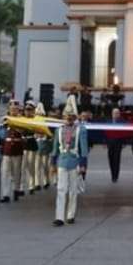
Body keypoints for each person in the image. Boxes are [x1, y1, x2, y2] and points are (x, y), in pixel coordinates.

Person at [51, 95, 88, 227]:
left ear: (75, 117)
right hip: (62, 160)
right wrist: (52, 163)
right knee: (61, 188)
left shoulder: (80, 130)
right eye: (66, 116)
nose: (68, 118)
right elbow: (55, 148)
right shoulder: (59, 130)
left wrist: (83, 165)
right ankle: (59, 217)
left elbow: (84, 149)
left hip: (74, 161)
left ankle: (70, 215)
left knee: (73, 189)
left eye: (71, 116)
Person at [34, 102, 52, 190]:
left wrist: (44, 135)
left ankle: (46, 180)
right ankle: (37, 183)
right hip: (36, 144)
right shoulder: (33, 123)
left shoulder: (46, 123)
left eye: (40, 114)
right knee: (37, 165)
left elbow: (49, 134)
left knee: (45, 165)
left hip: (44, 145)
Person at [106, 108, 125, 183]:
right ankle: (112, 174)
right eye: (114, 113)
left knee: (116, 160)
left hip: (118, 143)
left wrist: (124, 142)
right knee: (110, 159)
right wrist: (105, 142)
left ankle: (115, 176)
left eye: (117, 113)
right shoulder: (108, 122)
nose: (115, 114)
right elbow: (105, 132)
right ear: (112, 114)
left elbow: (124, 133)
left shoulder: (122, 122)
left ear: (119, 114)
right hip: (110, 143)